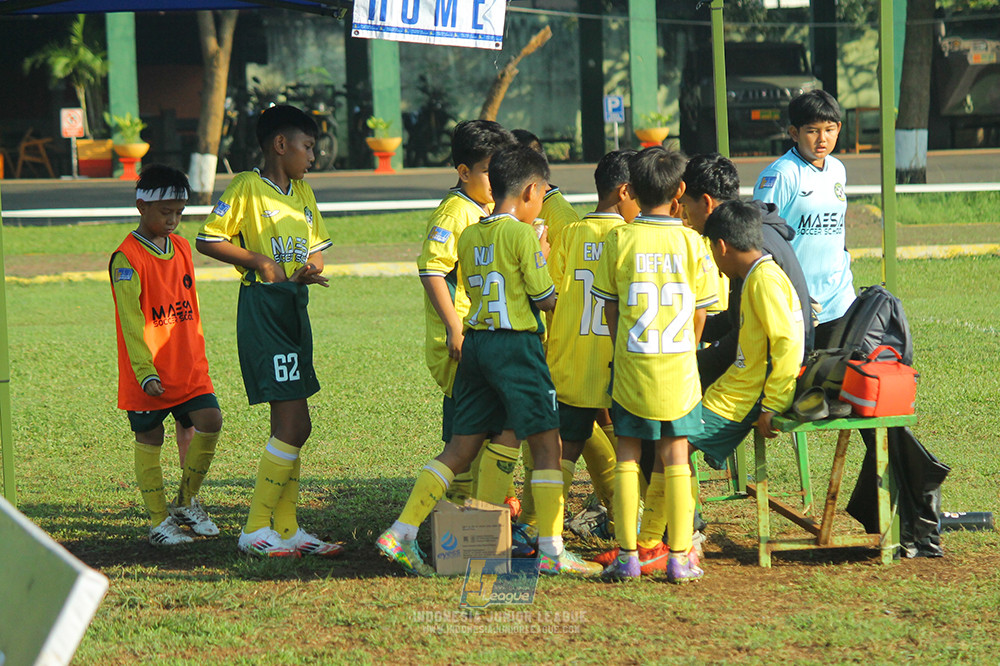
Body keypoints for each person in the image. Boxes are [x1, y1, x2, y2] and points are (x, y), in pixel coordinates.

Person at [377, 144, 602, 577]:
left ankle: (402, 532)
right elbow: (545, 298)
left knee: (462, 447)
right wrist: (552, 268)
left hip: (477, 345)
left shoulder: (471, 232)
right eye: (542, 197)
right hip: (515, 346)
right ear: (533, 190)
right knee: (548, 445)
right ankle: (552, 549)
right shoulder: (521, 233)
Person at [196, 105, 341, 558]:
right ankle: (255, 529)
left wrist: (308, 270)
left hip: (295, 309)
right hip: (263, 311)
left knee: (298, 425)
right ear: (281, 145)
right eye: (308, 147)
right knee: (293, 423)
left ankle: (288, 528)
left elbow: (316, 250)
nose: (312, 157)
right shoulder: (245, 187)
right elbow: (207, 238)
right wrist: (258, 261)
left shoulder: (302, 191)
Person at [592, 147, 717, 583]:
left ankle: (628, 556)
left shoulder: (619, 239)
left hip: (631, 366)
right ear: (680, 191)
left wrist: (623, 345)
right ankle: (680, 558)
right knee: (676, 455)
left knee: (627, 451)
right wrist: (689, 345)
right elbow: (702, 311)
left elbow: (610, 310)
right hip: (679, 369)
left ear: (633, 189)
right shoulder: (692, 242)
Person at [110, 164, 223, 546]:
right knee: (150, 438)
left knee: (209, 420)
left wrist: (196, 353)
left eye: (179, 213)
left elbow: (187, 305)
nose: (173, 220)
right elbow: (130, 321)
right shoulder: (126, 258)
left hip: (187, 365)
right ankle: (159, 521)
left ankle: (186, 501)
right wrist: (144, 372)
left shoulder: (182, 247)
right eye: (165, 213)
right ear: (141, 206)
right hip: (150, 372)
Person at [416, 119, 518, 504]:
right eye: (490, 170)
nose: (499, 178)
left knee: (490, 427)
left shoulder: (490, 207)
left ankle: (490, 507)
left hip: (485, 339)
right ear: (463, 172)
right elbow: (431, 270)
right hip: (463, 342)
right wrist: (454, 328)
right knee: (468, 434)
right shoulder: (454, 213)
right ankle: (460, 515)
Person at [689, 199, 805, 525]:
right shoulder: (755, 276)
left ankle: (683, 534)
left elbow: (788, 343)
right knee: (668, 443)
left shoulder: (764, 279)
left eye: (711, 249)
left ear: (722, 246)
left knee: (672, 447)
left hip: (745, 400)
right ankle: (680, 528)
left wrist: (773, 404)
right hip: (735, 391)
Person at [546, 149, 639, 519]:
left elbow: (550, 296)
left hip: (573, 363)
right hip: (620, 363)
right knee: (634, 447)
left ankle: (541, 531)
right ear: (624, 191)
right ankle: (638, 526)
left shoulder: (571, 234)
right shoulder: (632, 238)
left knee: (564, 450)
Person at [680, 152, 814, 392]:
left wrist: (692, 367)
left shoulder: (749, 246)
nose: (685, 217)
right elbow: (737, 318)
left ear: (707, 203)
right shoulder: (750, 227)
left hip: (778, 372)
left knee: (677, 393)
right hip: (772, 356)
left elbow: (745, 341)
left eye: (686, 206)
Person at [753, 90, 854, 348]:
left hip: (839, 296)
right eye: (812, 131)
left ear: (839, 128)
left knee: (837, 373)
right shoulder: (781, 175)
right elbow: (760, 237)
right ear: (794, 133)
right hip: (798, 297)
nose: (823, 138)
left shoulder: (838, 169)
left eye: (829, 129)